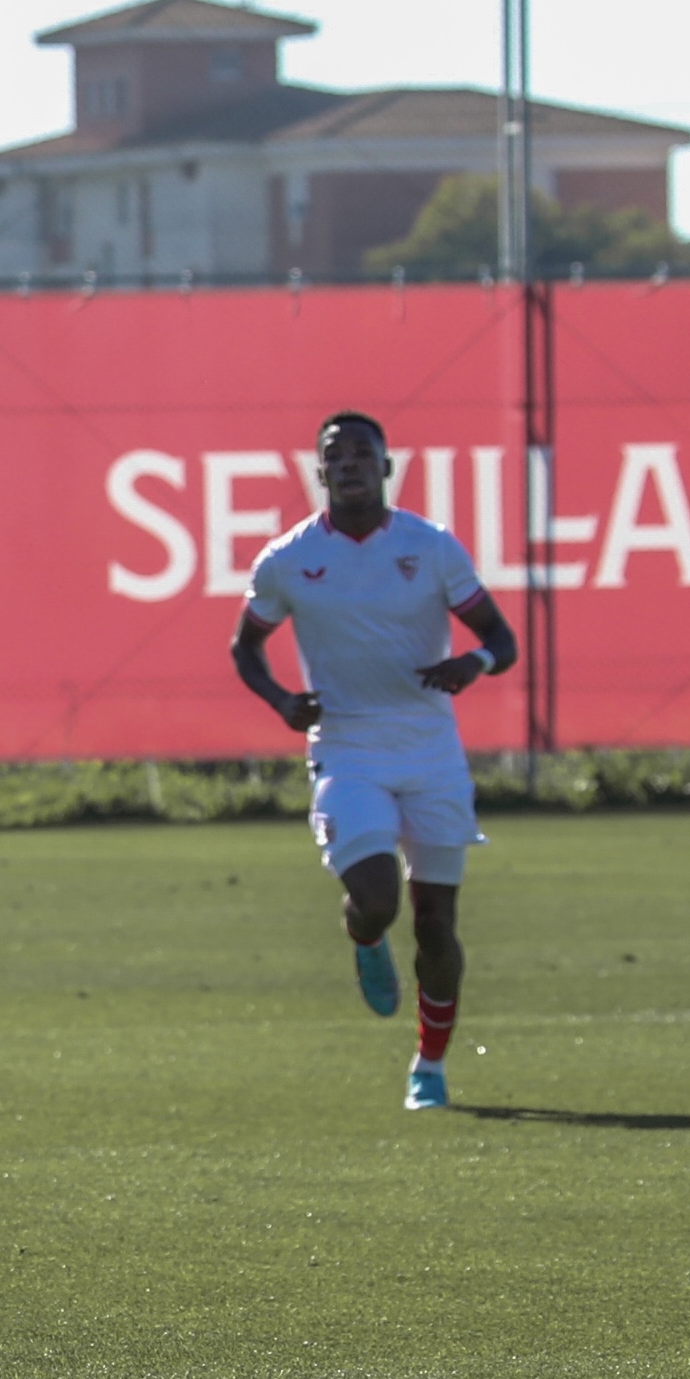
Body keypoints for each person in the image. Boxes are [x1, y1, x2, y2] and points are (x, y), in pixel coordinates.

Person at [230, 410, 518, 1110]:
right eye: (337, 454)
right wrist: (281, 701)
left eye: (364, 453)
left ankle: (430, 1065)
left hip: (431, 754)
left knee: (436, 924)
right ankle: (363, 936)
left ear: (386, 468)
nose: (351, 464)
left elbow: (501, 638)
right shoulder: (288, 559)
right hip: (347, 750)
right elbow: (245, 647)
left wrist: (471, 663)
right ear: (320, 471)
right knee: (378, 901)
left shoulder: (431, 546)